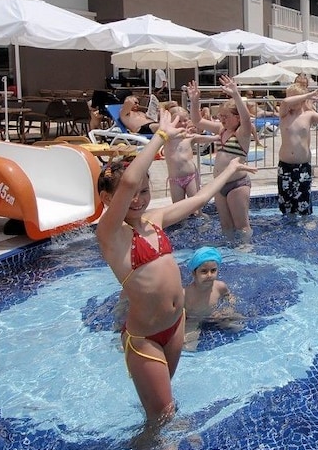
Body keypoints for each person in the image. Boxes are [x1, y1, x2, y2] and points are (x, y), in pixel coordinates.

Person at [93, 109, 256, 431]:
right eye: (130, 194)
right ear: (107, 198)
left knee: (162, 409)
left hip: (175, 326)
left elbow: (201, 198)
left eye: (144, 192)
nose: (138, 199)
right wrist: (160, 137)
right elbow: (129, 180)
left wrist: (229, 170)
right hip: (146, 338)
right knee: (163, 416)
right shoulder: (111, 234)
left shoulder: (155, 220)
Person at [188, 76, 255, 237]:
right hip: (219, 184)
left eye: (226, 116)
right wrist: (195, 101)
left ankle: (246, 249)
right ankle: (229, 250)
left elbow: (246, 119)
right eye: (221, 116)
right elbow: (197, 121)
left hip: (237, 184)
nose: (222, 119)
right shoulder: (221, 129)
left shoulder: (242, 133)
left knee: (241, 225)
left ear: (237, 117)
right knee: (225, 225)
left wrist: (236, 94)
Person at [276, 83, 318, 215]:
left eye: (295, 98)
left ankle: (305, 223)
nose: (292, 101)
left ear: (302, 100)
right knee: (286, 204)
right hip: (285, 166)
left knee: (304, 203)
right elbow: (285, 102)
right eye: (291, 97)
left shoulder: (309, 115)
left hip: (303, 165)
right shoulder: (284, 114)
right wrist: (308, 95)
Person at [183, 246, 243, 351]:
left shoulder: (220, 287)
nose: (209, 275)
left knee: (239, 326)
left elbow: (230, 297)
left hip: (215, 316)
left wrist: (227, 309)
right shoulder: (186, 293)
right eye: (204, 271)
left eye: (213, 270)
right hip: (193, 320)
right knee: (187, 346)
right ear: (194, 273)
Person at [163, 106, 217, 208]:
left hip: (191, 177)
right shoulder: (166, 138)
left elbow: (202, 138)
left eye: (185, 120)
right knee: (178, 208)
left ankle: (200, 217)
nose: (183, 123)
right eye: (178, 121)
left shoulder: (189, 137)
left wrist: (217, 138)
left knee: (196, 206)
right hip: (175, 179)